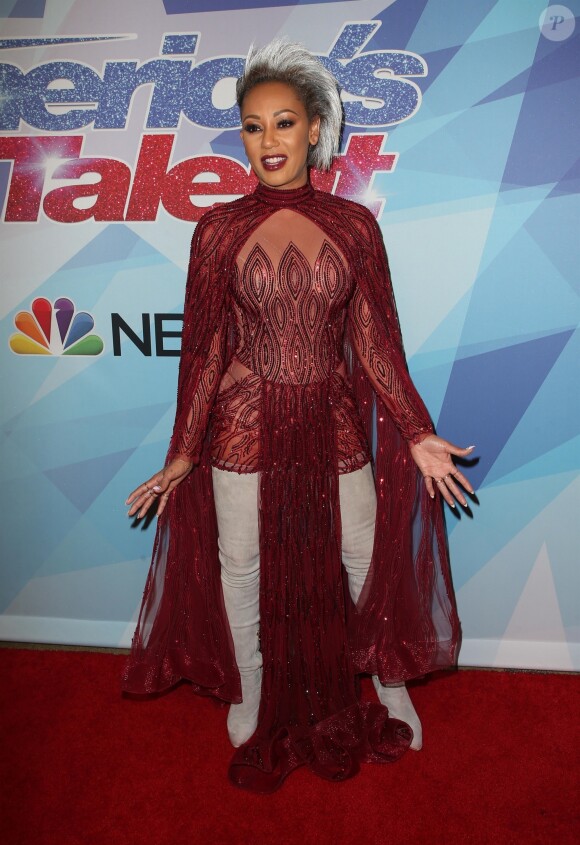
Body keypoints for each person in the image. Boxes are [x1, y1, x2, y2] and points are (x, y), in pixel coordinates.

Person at [123, 40, 474, 794]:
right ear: (242, 135)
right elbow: (205, 355)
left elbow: (376, 342)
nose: (270, 140)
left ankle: (384, 683)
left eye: (284, 122)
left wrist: (416, 433)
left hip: (333, 418)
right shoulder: (214, 231)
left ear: (316, 128)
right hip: (242, 423)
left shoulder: (355, 227)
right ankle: (252, 688)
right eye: (254, 126)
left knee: (363, 559)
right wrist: (182, 454)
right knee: (240, 565)